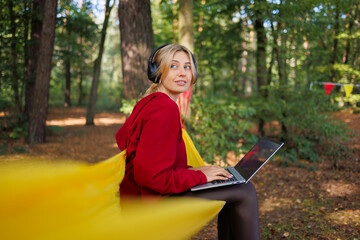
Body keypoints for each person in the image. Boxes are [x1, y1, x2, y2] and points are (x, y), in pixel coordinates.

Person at [115, 43, 260, 240]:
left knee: (233, 188)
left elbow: (154, 161)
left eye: (187, 67)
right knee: (245, 191)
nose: (182, 73)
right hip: (151, 202)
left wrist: (196, 171)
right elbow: (149, 177)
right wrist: (200, 177)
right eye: (173, 66)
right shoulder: (164, 108)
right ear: (157, 71)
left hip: (140, 197)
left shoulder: (150, 101)